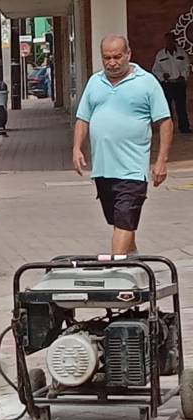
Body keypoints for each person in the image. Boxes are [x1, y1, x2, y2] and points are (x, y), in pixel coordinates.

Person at [73, 35, 173, 255]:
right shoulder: (94, 82)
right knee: (121, 223)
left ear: (129, 54)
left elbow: (165, 121)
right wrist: (77, 148)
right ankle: (135, 267)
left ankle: (116, 271)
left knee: (125, 222)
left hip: (133, 171)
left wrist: (161, 160)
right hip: (103, 169)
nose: (112, 62)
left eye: (117, 56)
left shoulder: (146, 82)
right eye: (106, 58)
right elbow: (83, 117)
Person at [152, 32, 191, 133]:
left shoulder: (182, 53)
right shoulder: (160, 54)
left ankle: (184, 128)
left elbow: (186, 66)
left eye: (171, 40)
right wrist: (162, 76)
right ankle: (169, 129)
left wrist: (183, 76)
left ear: (175, 41)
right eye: (167, 40)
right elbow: (156, 69)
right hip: (167, 84)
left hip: (179, 84)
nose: (169, 42)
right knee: (167, 108)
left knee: (181, 107)